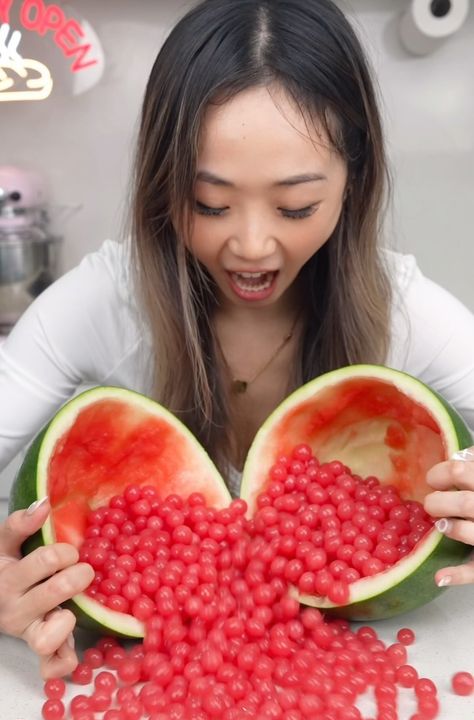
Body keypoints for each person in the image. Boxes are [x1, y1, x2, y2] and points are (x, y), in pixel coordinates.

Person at [1, 0, 473, 679]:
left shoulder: (406, 311)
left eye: (296, 207)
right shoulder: (104, 300)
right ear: (163, 186)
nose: (252, 246)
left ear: (354, 181)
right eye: (210, 204)